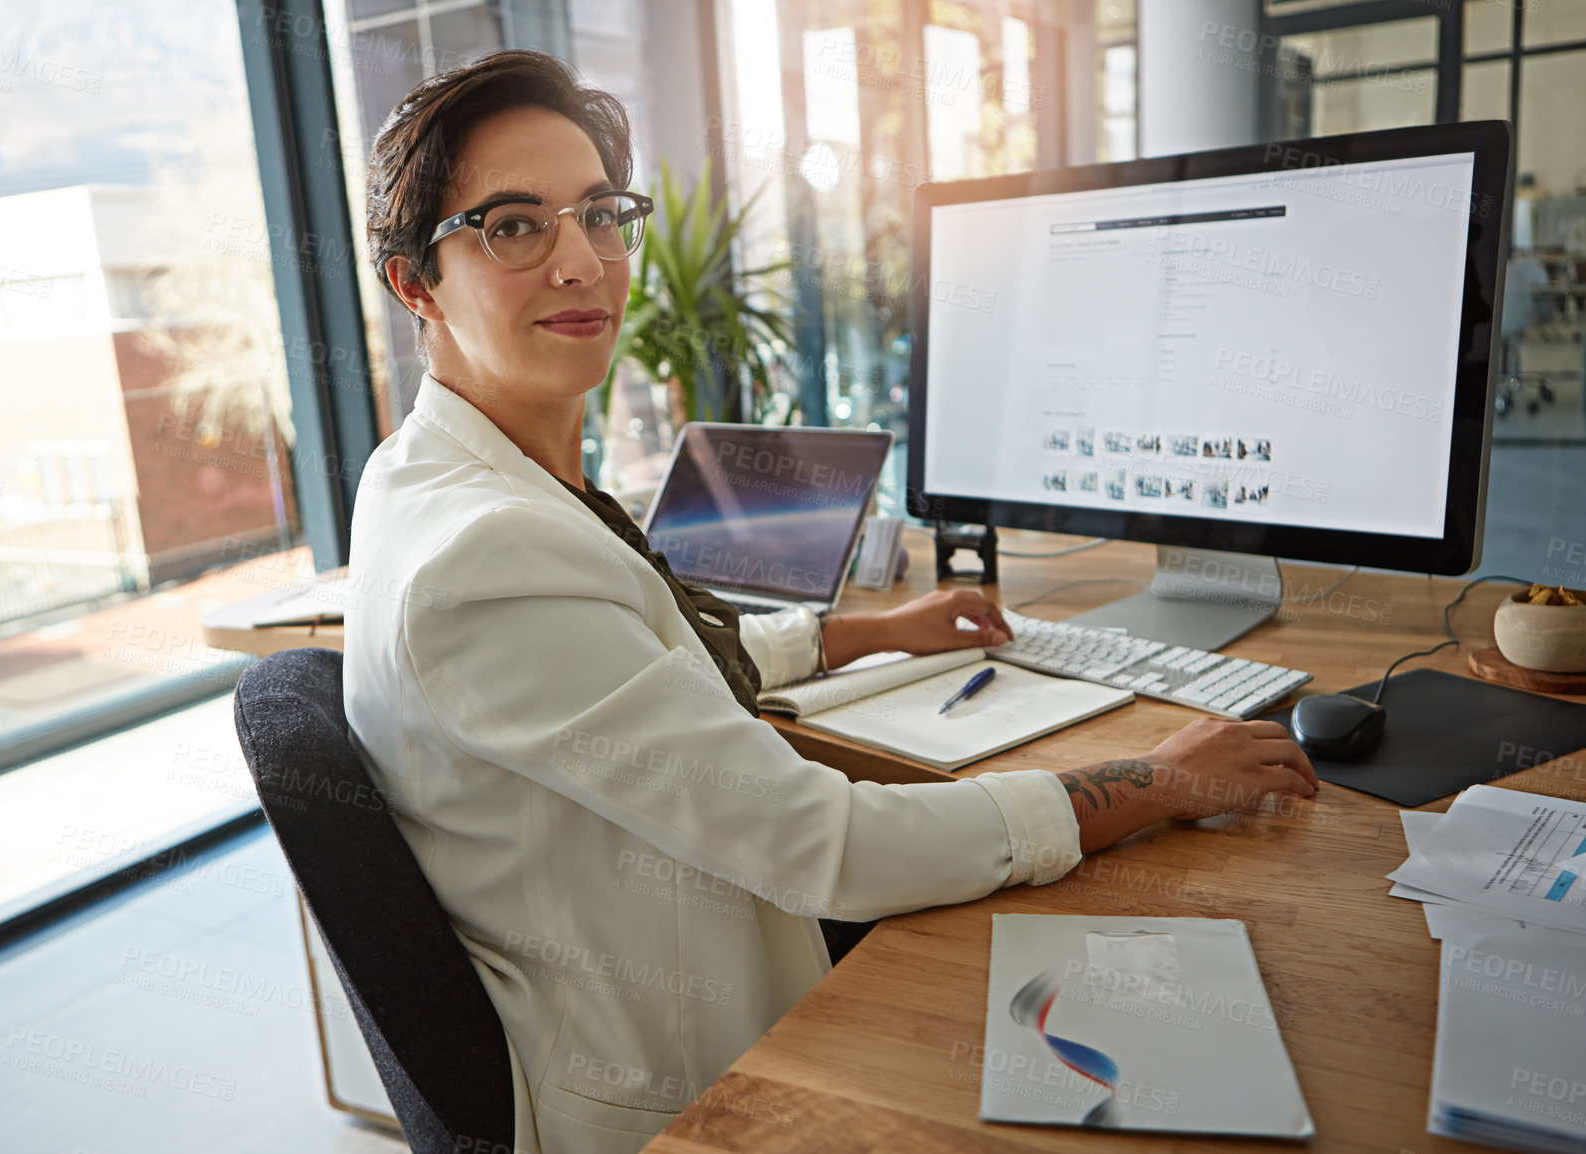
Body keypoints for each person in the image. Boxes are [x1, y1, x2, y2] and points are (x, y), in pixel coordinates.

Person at [343, 49, 1319, 1154]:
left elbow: (641, 665)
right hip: (683, 1084)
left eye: (601, 213)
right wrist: (1149, 777)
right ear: (413, 280)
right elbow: (831, 845)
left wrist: (859, 631)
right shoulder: (488, 557)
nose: (583, 261)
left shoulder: (430, 471)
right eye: (513, 226)